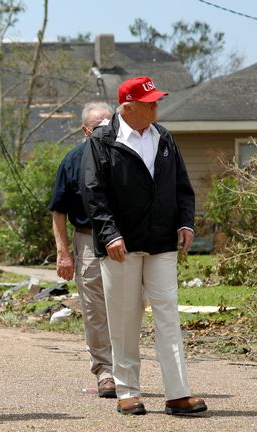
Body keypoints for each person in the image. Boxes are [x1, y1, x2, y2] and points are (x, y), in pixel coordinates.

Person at [80, 76, 207, 416]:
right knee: (124, 318)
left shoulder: (163, 137)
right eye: (150, 102)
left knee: (168, 314)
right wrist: (109, 234)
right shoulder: (102, 140)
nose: (156, 106)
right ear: (127, 107)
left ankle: (178, 394)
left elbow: (181, 184)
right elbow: (93, 192)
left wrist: (185, 222)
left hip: (162, 240)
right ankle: (128, 392)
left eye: (156, 101)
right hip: (121, 244)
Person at [49, 102, 116, 398]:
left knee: (130, 304)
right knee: (95, 308)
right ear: (86, 131)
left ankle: (126, 368)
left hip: (125, 239)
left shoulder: (126, 155)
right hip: (88, 239)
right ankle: (105, 371)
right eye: (99, 124)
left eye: (110, 123)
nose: (106, 128)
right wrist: (63, 253)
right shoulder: (73, 160)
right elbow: (58, 211)